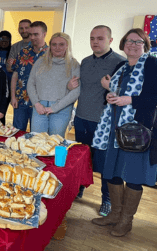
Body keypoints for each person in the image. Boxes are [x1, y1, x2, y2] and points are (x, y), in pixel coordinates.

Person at [91, 28, 157, 237]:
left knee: (133, 175)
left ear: (145, 45)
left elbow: (153, 97)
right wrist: (109, 92)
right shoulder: (121, 66)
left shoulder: (152, 65)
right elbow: (115, 95)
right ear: (122, 44)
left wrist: (130, 100)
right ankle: (114, 214)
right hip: (113, 128)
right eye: (129, 41)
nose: (132, 44)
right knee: (112, 171)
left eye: (138, 41)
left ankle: (126, 221)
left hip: (137, 131)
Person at [70, 25, 126, 216]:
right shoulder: (84, 62)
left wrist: (111, 88)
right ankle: (79, 188)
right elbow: (78, 87)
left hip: (104, 123)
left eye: (100, 38)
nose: (95, 42)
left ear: (110, 40)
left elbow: (126, 94)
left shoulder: (120, 62)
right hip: (81, 118)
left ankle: (107, 200)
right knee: (80, 159)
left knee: (103, 164)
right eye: (92, 38)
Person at [27, 32, 80, 137]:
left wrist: (54, 108)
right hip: (39, 108)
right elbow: (30, 84)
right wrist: (36, 104)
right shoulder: (40, 62)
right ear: (50, 45)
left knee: (56, 141)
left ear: (67, 46)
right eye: (54, 44)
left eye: (61, 44)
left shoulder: (74, 65)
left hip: (61, 109)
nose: (57, 47)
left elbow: (76, 91)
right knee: (36, 140)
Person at [10, 21, 48, 131]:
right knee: (17, 132)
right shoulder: (23, 52)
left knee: (37, 134)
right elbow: (15, 75)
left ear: (44, 34)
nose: (32, 37)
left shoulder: (50, 54)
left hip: (40, 102)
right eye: (31, 34)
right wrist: (13, 97)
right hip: (21, 100)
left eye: (36, 34)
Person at [0, 30, 12, 125]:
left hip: (8, 87)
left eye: (7, 39)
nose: (4, 41)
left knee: (2, 112)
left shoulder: (12, 52)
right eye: (1, 39)